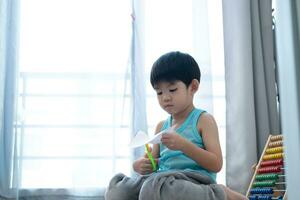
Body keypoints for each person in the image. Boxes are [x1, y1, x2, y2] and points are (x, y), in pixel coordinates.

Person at [105, 51, 247, 200]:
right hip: (162, 181)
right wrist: (140, 165)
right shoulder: (161, 126)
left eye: (172, 90)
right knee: (118, 191)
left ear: (193, 87)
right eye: (159, 92)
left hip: (193, 181)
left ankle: (219, 194)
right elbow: (152, 164)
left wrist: (183, 145)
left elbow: (216, 164)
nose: (165, 97)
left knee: (153, 188)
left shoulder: (203, 120)